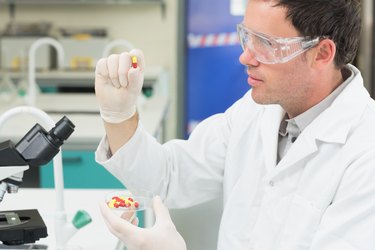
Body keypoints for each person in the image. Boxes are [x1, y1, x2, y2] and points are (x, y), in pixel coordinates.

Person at [95, 0, 375, 249]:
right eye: (247, 37)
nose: (245, 57)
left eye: (266, 44)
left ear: (322, 54)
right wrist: (118, 116)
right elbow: (167, 177)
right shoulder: (254, 111)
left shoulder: (365, 154)